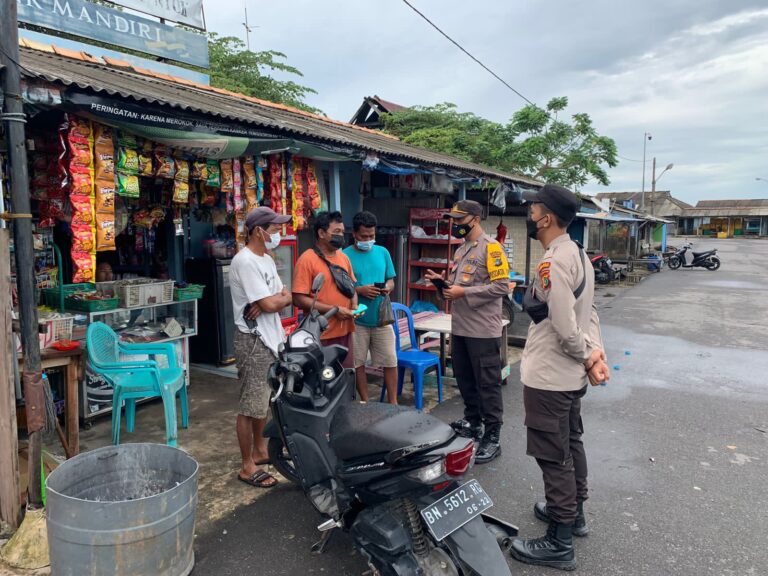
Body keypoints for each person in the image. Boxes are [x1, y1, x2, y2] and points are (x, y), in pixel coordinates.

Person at [509, 183, 611, 571]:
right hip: (568, 377)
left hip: (550, 377)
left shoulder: (552, 262)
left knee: (554, 457)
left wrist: (588, 355)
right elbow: (591, 313)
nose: (529, 217)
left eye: (532, 210)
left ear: (546, 218)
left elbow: (567, 327)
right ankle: (573, 514)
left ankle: (559, 540)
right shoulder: (579, 255)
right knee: (571, 445)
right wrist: (596, 352)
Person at [425, 199, 510, 464]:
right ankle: (474, 422)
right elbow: (456, 288)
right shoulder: (462, 250)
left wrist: (465, 292)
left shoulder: (492, 249)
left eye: (459, 221)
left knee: (488, 384)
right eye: (453, 220)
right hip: (460, 327)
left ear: (475, 219)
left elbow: (502, 287)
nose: (455, 225)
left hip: (483, 331)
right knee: (465, 379)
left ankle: (492, 435)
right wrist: (443, 285)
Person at [229, 206, 293, 489]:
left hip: (271, 337)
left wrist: (273, 301)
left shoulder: (265, 258)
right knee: (250, 405)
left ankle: (260, 450)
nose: (279, 232)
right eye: (275, 227)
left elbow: (285, 294)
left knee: (265, 401)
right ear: (259, 230)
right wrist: (271, 301)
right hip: (253, 340)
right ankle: (247, 465)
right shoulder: (244, 261)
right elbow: (270, 303)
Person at [293, 211, 359, 373]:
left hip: (345, 331)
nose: (341, 236)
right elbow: (298, 299)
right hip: (320, 334)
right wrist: (333, 309)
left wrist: (355, 306)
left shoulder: (343, 258)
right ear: (321, 233)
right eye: (336, 232)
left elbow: (352, 288)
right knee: (324, 381)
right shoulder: (307, 259)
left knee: (345, 377)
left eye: (342, 232)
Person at [343, 211, 398, 403]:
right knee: (358, 363)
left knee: (390, 361)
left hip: (381, 318)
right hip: (357, 320)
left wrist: (388, 288)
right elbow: (341, 288)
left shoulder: (383, 252)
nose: (369, 240)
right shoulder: (344, 256)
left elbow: (390, 279)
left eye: (372, 236)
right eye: (364, 236)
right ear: (355, 235)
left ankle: (393, 402)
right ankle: (364, 401)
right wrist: (360, 290)